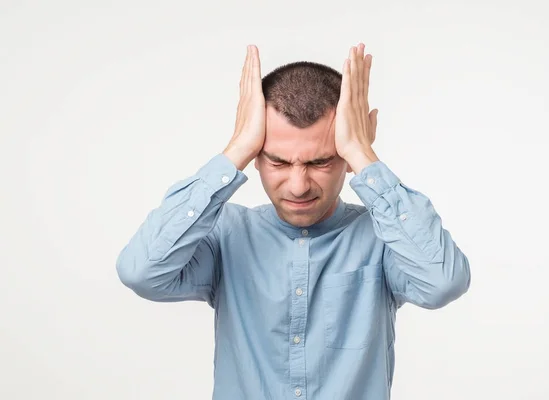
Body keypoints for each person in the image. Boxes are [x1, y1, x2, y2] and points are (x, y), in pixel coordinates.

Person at [116, 43, 471, 400]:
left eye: (321, 162)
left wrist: (365, 156)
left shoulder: (382, 238)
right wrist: (234, 151)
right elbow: (142, 272)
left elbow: (443, 282)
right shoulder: (226, 235)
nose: (299, 186)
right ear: (255, 154)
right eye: (279, 162)